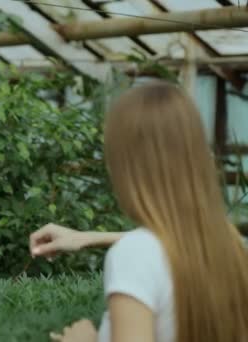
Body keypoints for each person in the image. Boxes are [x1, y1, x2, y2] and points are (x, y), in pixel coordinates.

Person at [31, 81, 248, 341]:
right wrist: (89, 237)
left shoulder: (134, 255)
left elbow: (151, 253)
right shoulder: (229, 242)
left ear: (127, 166)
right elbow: (176, 244)